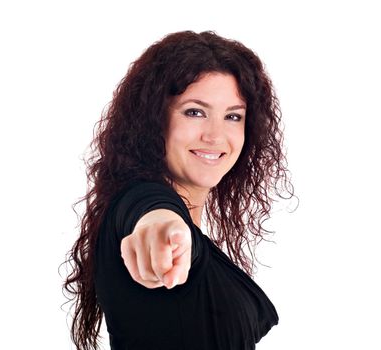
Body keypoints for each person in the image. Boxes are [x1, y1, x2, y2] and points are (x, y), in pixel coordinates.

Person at [63, 30, 294, 350]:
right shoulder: (137, 200)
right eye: (195, 111)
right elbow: (152, 214)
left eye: (232, 116)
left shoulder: (192, 233)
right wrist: (163, 230)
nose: (215, 136)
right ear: (154, 119)